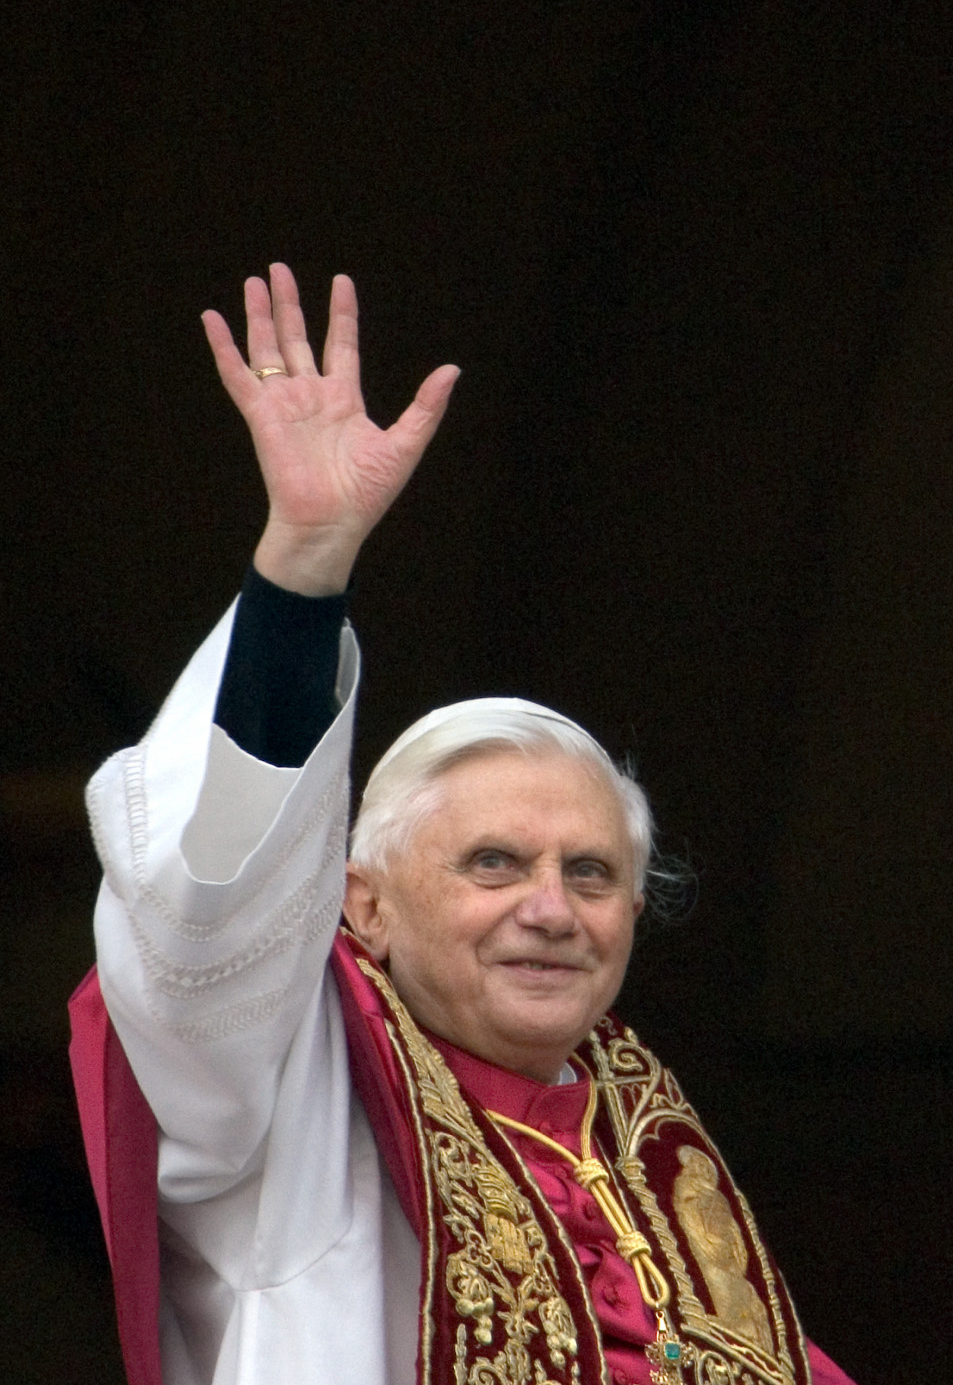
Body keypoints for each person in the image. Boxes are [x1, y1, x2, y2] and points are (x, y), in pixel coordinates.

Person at [68, 265, 856, 1385]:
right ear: (363, 905)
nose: (550, 909)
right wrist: (304, 566)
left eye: (590, 874)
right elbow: (209, 908)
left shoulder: (638, 1134)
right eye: (493, 863)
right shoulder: (292, 1089)